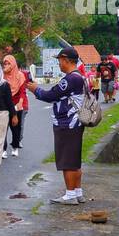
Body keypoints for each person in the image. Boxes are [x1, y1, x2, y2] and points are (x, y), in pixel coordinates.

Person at [27, 46, 87, 205]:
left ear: (66, 60)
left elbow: (50, 95)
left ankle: (70, 195)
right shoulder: (80, 77)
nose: (59, 63)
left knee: (67, 161)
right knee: (75, 160)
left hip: (67, 123)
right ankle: (77, 192)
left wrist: (35, 89)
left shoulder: (70, 79)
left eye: (60, 60)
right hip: (75, 123)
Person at [2, 54, 29, 157]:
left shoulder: (20, 75)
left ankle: (15, 146)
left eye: (9, 63)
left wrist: (20, 102)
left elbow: (22, 91)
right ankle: (3, 149)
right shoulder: (2, 76)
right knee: (3, 128)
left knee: (15, 127)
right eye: (5, 63)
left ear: (13, 64)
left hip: (16, 104)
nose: (6, 65)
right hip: (4, 105)